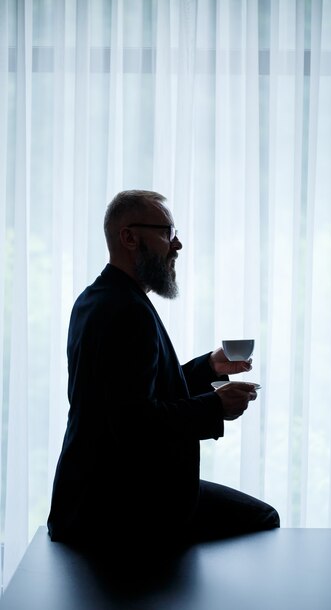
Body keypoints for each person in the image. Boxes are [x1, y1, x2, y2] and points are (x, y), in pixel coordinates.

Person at [47, 189, 279, 559]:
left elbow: (135, 394)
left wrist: (208, 367)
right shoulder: (125, 311)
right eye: (168, 233)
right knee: (265, 518)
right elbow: (135, 423)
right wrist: (215, 407)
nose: (178, 244)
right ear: (129, 237)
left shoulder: (100, 298)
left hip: (102, 492)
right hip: (118, 504)